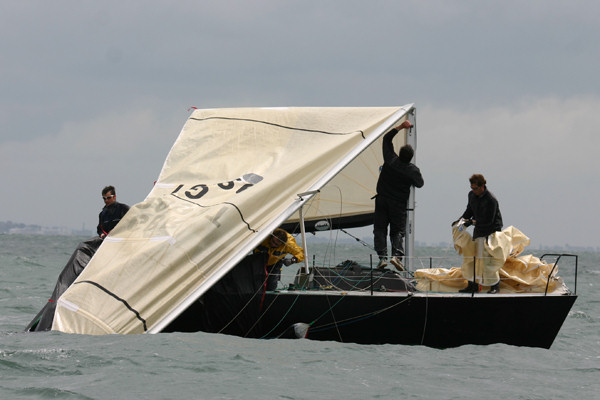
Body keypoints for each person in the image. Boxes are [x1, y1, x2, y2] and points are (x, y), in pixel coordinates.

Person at [373, 120, 424, 271]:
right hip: (398, 204)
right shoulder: (412, 170)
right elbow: (420, 184)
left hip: (381, 200)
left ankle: (382, 257)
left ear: (399, 153)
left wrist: (401, 127)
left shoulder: (390, 160)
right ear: (410, 157)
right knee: (397, 231)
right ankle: (396, 256)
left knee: (380, 229)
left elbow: (386, 139)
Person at [454, 174, 503, 294]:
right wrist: (460, 221)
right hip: (479, 230)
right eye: (472, 188)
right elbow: (469, 211)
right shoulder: (471, 195)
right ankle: (473, 285)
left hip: (491, 231)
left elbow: (489, 221)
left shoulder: (491, 200)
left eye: (475, 188)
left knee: (487, 260)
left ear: (482, 186)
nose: (473, 191)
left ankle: (495, 286)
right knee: (473, 258)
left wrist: (473, 222)